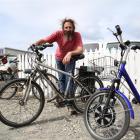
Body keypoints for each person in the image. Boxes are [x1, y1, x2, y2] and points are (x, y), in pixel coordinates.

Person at [32, 18, 83, 115]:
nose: (68, 29)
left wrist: (70, 53)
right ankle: (63, 99)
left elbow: (80, 49)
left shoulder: (77, 35)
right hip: (59, 58)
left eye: (70, 27)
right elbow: (45, 40)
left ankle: (70, 103)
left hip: (70, 59)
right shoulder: (58, 34)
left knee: (69, 79)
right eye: (66, 27)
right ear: (63, 28)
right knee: (61, 79)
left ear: (73, 28)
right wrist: (35, 43)